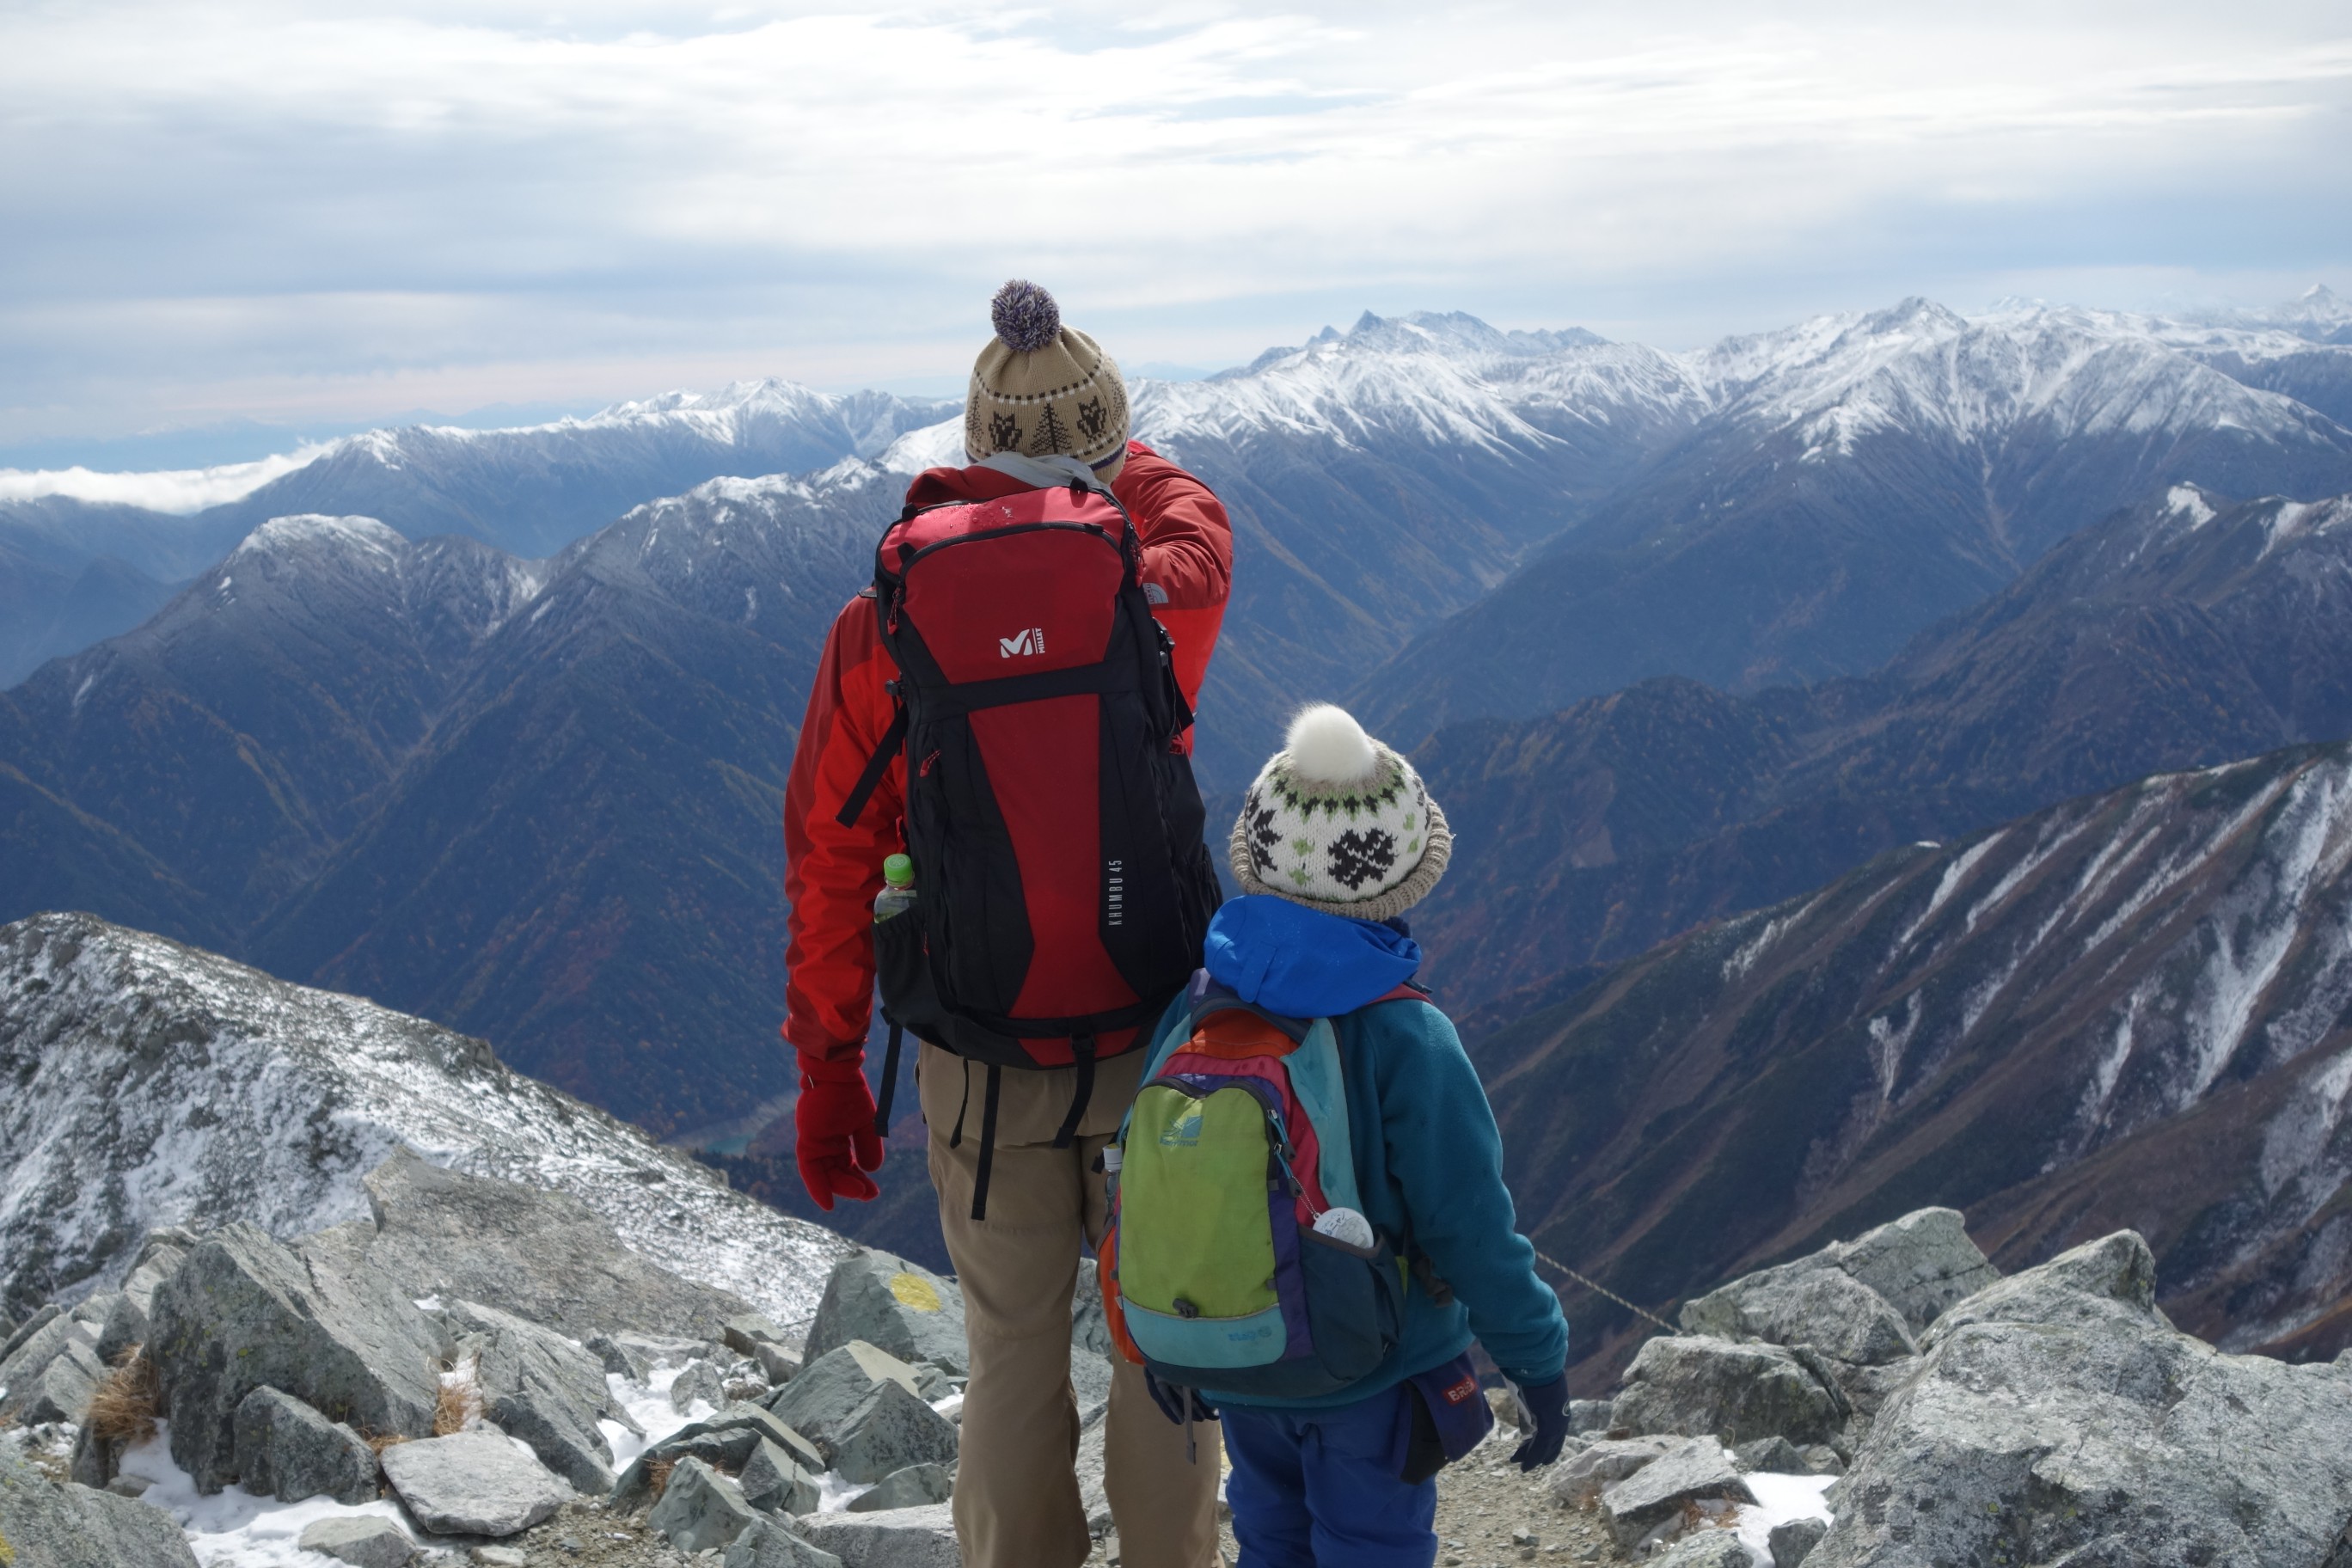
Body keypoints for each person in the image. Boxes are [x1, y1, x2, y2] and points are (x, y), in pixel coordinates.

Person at [781, 280, 1233, 1568]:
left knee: (1011, 1350)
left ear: (973, 449)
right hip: (1154, 1032)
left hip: (981, 1056)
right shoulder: (1156, 588)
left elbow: (830, 856)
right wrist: (1109, 453)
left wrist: (829, 1067)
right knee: (1164, 1343)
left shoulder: (882, 628)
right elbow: (1196, 523)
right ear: (1107, 446)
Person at [1147, 701, 1572, 1567]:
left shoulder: (1195, 1008)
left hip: (1238, 1350)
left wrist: (1168, 1337)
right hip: (1371, 1371)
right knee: (1370, 1546)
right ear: (1405, 876)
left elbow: (1151, 1181)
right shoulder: (1408, 1036)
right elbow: (1468, 1225)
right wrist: (1537, 1357)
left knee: (1271, 1538)